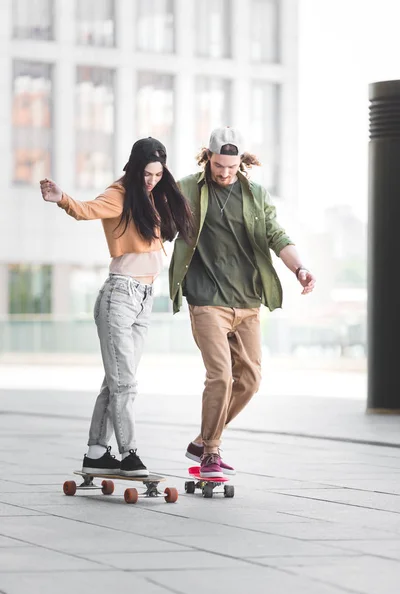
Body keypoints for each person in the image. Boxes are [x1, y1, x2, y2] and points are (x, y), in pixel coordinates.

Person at [40, 137, 194, 477]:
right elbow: (87, 209)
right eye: (147, 174)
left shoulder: (150, 198)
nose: (152, 180)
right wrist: (62, 198)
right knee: (125, 383)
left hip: (144, 299)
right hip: (120, 297)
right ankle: (129, 454)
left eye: (157, 174)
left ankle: (97, 451)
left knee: (117, 381)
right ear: (135, 167)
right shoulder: (120, 194)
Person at [169, 127, 316, 478]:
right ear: (208, 157)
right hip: (206, 299)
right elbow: (162, 226)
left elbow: (276, 234)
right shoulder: (188, 188)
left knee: (249, 380)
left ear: (241, 163)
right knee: (220, 375)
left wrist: (300, 268)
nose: (224, 173)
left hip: (248, 300)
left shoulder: (256, 194)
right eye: (219, 166)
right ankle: (211, 453)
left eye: (231, 168)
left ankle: (203, 440)